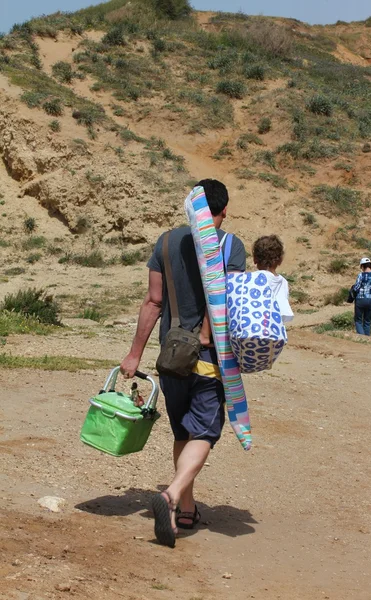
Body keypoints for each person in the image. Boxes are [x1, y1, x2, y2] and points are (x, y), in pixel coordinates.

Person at [120, 179, 246, 548]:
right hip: (207, 357)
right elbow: (228, 301)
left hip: (170, 356)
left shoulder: (164, 242)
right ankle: (173, 494)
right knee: (205, 432)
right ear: (222, 211)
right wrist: (206, 336)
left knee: (181, 432)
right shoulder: (230, 245)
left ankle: (186, 509)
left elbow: (153, 302)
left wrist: (134, 355)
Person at [199, 233, 293, 346]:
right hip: (273, 338)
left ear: (255, 259)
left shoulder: (247, 280)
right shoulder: (284, 283)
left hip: (246, 336)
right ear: (280, 260)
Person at [352, 257, 371, 336]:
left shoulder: (361, 275)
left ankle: (362, 339)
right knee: (367, 321)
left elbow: (356, 288)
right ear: (370, 265)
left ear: (362, 266)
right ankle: (367, 340)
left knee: (358, 320)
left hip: (361, 299)